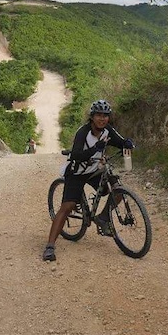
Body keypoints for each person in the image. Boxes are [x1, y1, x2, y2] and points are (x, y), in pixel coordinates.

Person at [42, 99, 134, 262]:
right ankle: (50, 246)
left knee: (117, 190)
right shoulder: (83, 132)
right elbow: (76, 155)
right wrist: (94, 149)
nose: (102, 119)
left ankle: (103, 218)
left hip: (94, 170)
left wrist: (126, 143)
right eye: (99, 115)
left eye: (105, 115)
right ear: (92, 117)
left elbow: (119, 142)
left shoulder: (107, 130)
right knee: (67, 207)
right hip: (76, 172)